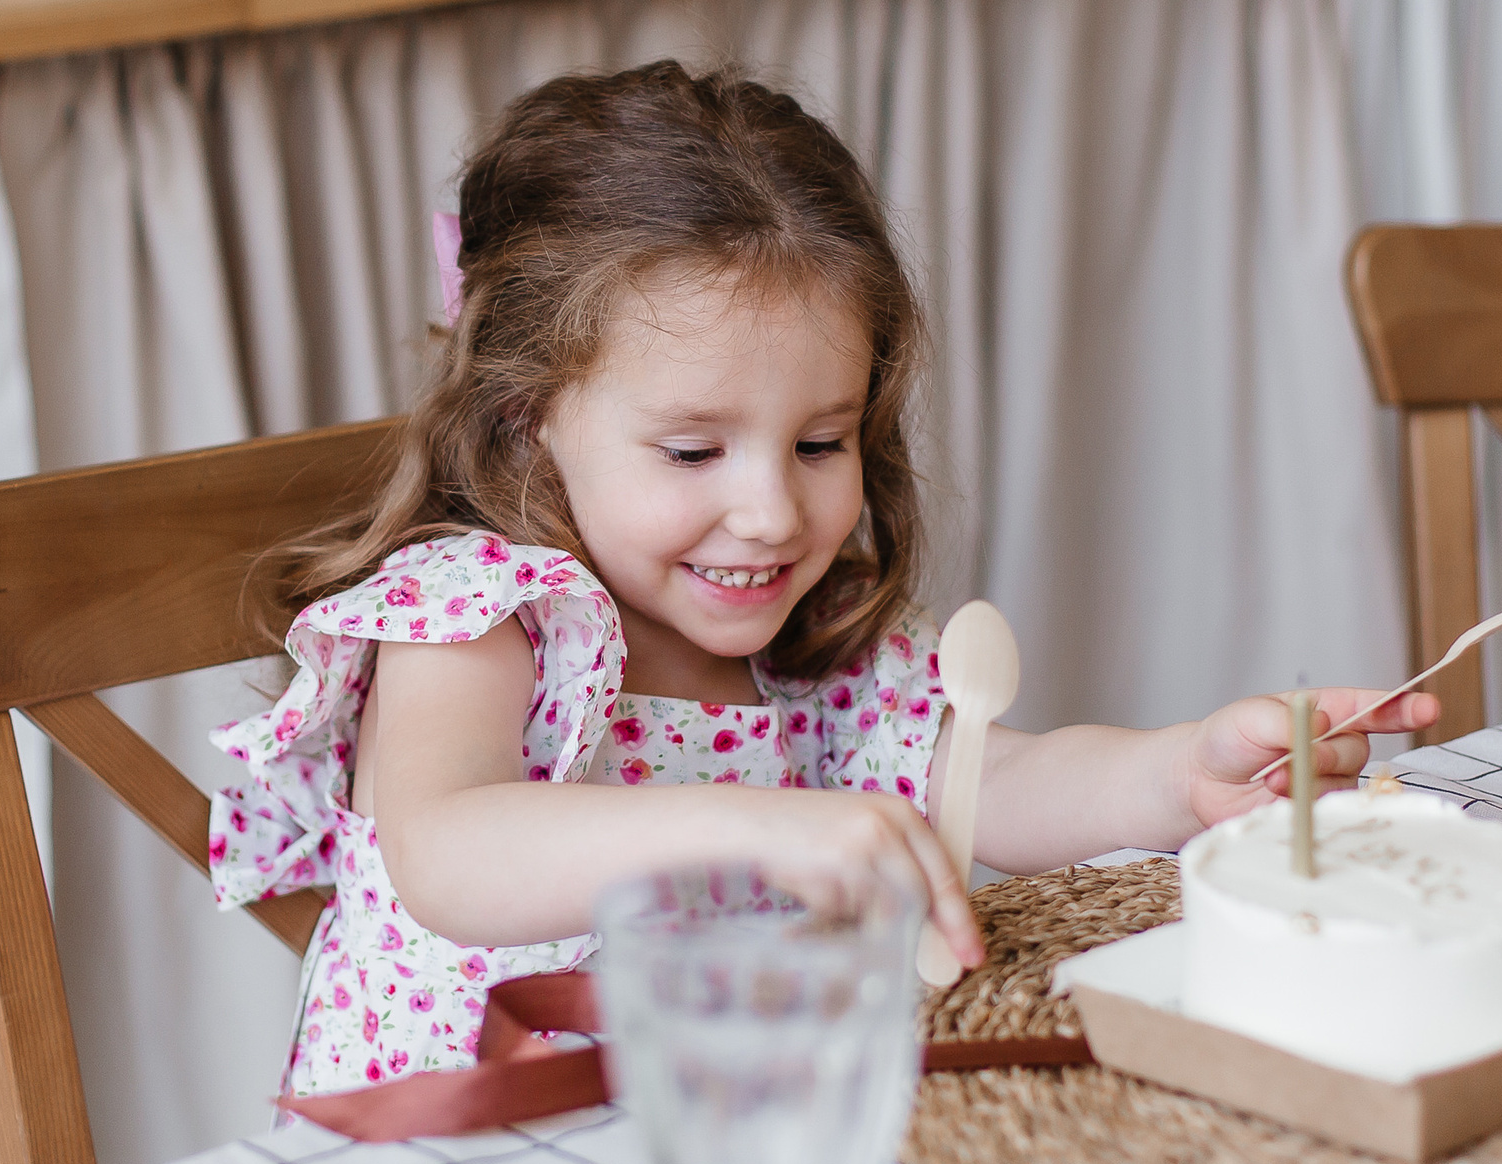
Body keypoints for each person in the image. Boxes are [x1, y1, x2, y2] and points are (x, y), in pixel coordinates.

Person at [210, 62, 1436, 1099]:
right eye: (693, 451)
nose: (771, 511)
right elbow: (447, 847)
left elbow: (982, 778)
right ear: (529, 417)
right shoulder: (475, 613)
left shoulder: (803, 627)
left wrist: (1173, 775)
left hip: (739, 1136)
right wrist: (759, 824)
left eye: (819, 442)